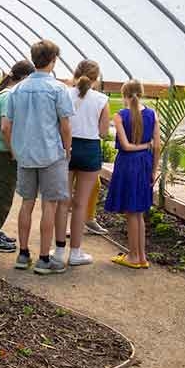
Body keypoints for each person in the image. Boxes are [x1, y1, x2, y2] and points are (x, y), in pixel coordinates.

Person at [3, 40, 74, 275]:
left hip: (25, 155)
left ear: (34, 59)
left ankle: (23, 255)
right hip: (51, 155)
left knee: (26, 203)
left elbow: (6, 126)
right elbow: (65, 125)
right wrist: (67, 150)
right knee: (49, 206)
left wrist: (15, 150)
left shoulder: (17, 90)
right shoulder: (58, 89)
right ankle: (44, 259)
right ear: (53, 61)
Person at [0, 60, 36, 253]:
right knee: (2, 194)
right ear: (25, 78)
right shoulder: (10, 96)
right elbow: (6, 127)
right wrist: (15, 151)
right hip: (3, 152)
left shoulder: (0, 94)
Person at [104, 79, 160, 268]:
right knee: (139, 213)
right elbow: (157, 146)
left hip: (127, 165)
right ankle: (141, 256)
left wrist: (142, 146)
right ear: (141, 93)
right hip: (144, 164)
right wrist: (154, 169)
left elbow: (126, 146)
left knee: (131, 212)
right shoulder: (153, 114)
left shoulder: (120, 116)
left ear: (123, 95)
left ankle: (133, 257)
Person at [64, 60, 110, 266]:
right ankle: (75, 253)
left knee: (62, 201)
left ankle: (57, 250)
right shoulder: (102, 99)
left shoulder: (65, 94)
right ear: (96, 78)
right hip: (90, 150)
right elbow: (103, 132)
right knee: (81, 204)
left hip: (67, 147)